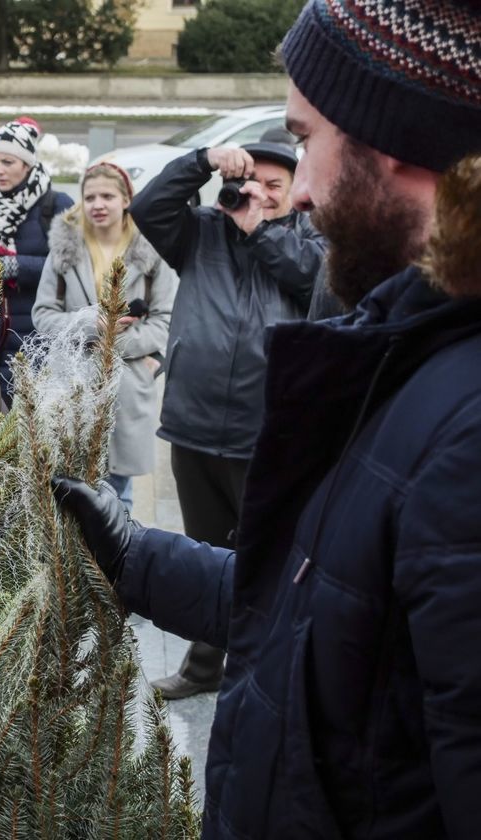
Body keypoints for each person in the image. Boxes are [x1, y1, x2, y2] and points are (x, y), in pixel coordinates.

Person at [56, 1, 481, 836]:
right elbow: (323, 614)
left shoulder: (463, 431)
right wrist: (137, 556)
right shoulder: (410, 353)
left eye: (308, 137)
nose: (307, 187)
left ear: (391, 136)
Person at [128, 123, 326, 700]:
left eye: (273, 184)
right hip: (192, 425)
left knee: (267, 560)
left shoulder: (310, 240)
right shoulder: (202, 234)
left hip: (263, 433)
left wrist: (260, 229)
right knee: (206, 556)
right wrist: (203, 159)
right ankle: (202, 669)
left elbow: (311, 278)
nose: (259, 193)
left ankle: (271, 671)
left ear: (293, 189)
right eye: (250, 181)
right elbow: (149, 205)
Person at [33, 162, 177, 513]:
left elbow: (166, 319)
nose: (98, 204)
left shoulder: (150, 249)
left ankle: (119, 567)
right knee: (70, 489)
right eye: (90, 196)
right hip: (73, 383)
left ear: (126, 199)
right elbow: (43, 315)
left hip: (127, 385)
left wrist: (123, 347)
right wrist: (89, 325)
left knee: (119, 494)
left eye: (108, 196)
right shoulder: (66, 248)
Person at [0, 118, 73, 396]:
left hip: (40, 334)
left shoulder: (56, 205)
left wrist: (14, 265)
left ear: (27, 164)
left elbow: (70, 265)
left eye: (7, 163)